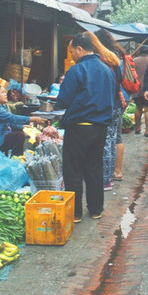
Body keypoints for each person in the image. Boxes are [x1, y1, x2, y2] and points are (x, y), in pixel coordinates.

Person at [57, 32, 116, 222]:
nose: (72, 55)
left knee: (73, 170)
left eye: (72, 51)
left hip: (79, 127)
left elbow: (64, 100)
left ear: (80, 49)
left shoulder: (76, 70)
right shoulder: (107, 70)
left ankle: (75, 213)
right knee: (94, 168)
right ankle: (96, 209)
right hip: (100, 128)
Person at [95, 29, 129, 188]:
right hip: (120, 100)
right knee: (115, 137)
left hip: (110, 102)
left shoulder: (104, 58)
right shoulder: (117, 55)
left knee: (107, 140)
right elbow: (121, 79)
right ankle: (115, 173)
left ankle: (106, 180)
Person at [0, 85, 46, 156]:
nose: (5, 94)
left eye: (5, 92)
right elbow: (12, 118)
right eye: (2, 92)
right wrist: (33, 119)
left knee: (19, 133)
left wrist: (23, 127)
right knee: (18, 136)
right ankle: (17, 159)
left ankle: (17, 158)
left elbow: (9, 122)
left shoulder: (2, 106)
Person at [132, 45, 148, 137]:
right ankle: (147, 130)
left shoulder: (135, 60)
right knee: (147, 109)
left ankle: (137, 127)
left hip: (137, 88)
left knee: (138, 108)